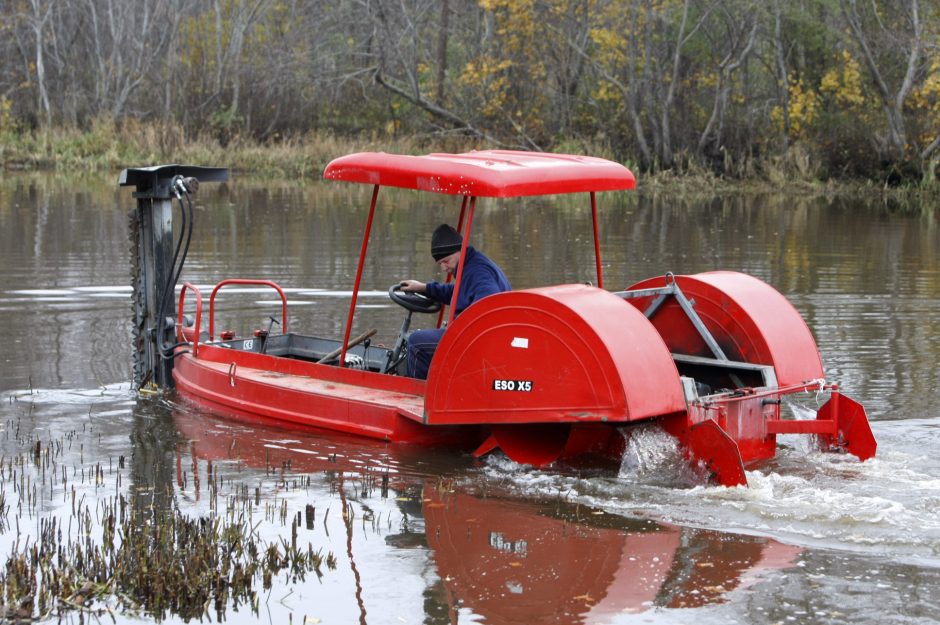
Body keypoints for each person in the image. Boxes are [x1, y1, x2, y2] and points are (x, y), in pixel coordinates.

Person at [399, 223, 510, 379]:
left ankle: (418, 396)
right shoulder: (471, 264)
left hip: (480, 339)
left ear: (459, 251)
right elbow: (457, 292)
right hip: (481, 335)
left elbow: (487, 305)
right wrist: (424, 288)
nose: (444, 268)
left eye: (446, 261)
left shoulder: (478, 272)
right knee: (426, 337)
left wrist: (455, 327)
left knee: (416, 342)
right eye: (440, 264)